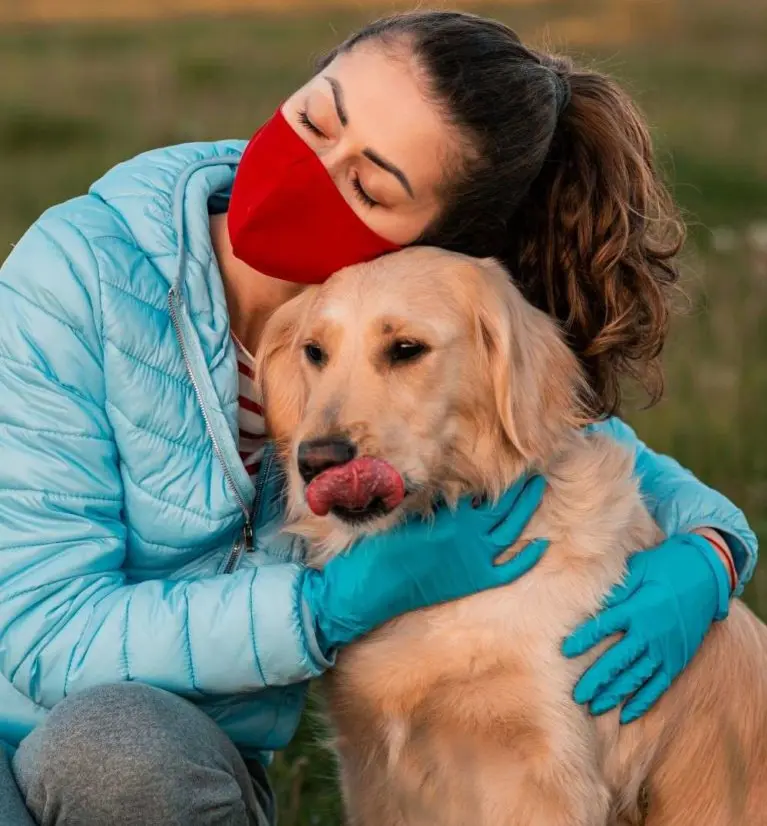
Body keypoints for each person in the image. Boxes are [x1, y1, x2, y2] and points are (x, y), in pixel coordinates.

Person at [0, 10, 756, 826]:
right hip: (16, 718)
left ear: (431, 241)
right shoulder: (77, 274)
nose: (311, 169)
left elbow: (582, 443)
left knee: (115, 749)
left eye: (368, 185)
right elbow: (42, 629)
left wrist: (712, 550)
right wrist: (318, 611)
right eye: (317, 118)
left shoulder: (414, 304)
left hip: (156, 761)